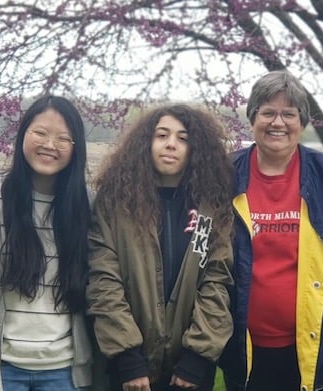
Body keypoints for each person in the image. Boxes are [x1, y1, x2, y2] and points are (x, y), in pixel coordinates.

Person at [219, 70, 323, 391]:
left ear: (303, 122)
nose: (277, 123)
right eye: (267, 112)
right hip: (244, 351)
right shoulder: (225, 175)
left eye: (289, 114)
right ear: (253, 118)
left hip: (321, 352)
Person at [0, 95, 99, 391]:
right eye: (40, 133)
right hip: (1, 371)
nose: (49, 145)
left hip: (65, 373)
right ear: (22, 136)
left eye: (63, 138)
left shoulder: (89, 208)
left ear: (75, 148)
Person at [87, 104, 235, 391]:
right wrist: (127, 356)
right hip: (129, 372)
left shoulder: (210, 209)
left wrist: (197, 357)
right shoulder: (115, 206)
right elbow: (103, 281)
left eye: (183, 138)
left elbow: (216, 282)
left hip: (189, 373)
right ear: (146, 142)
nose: (171, 144)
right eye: (162, 135)